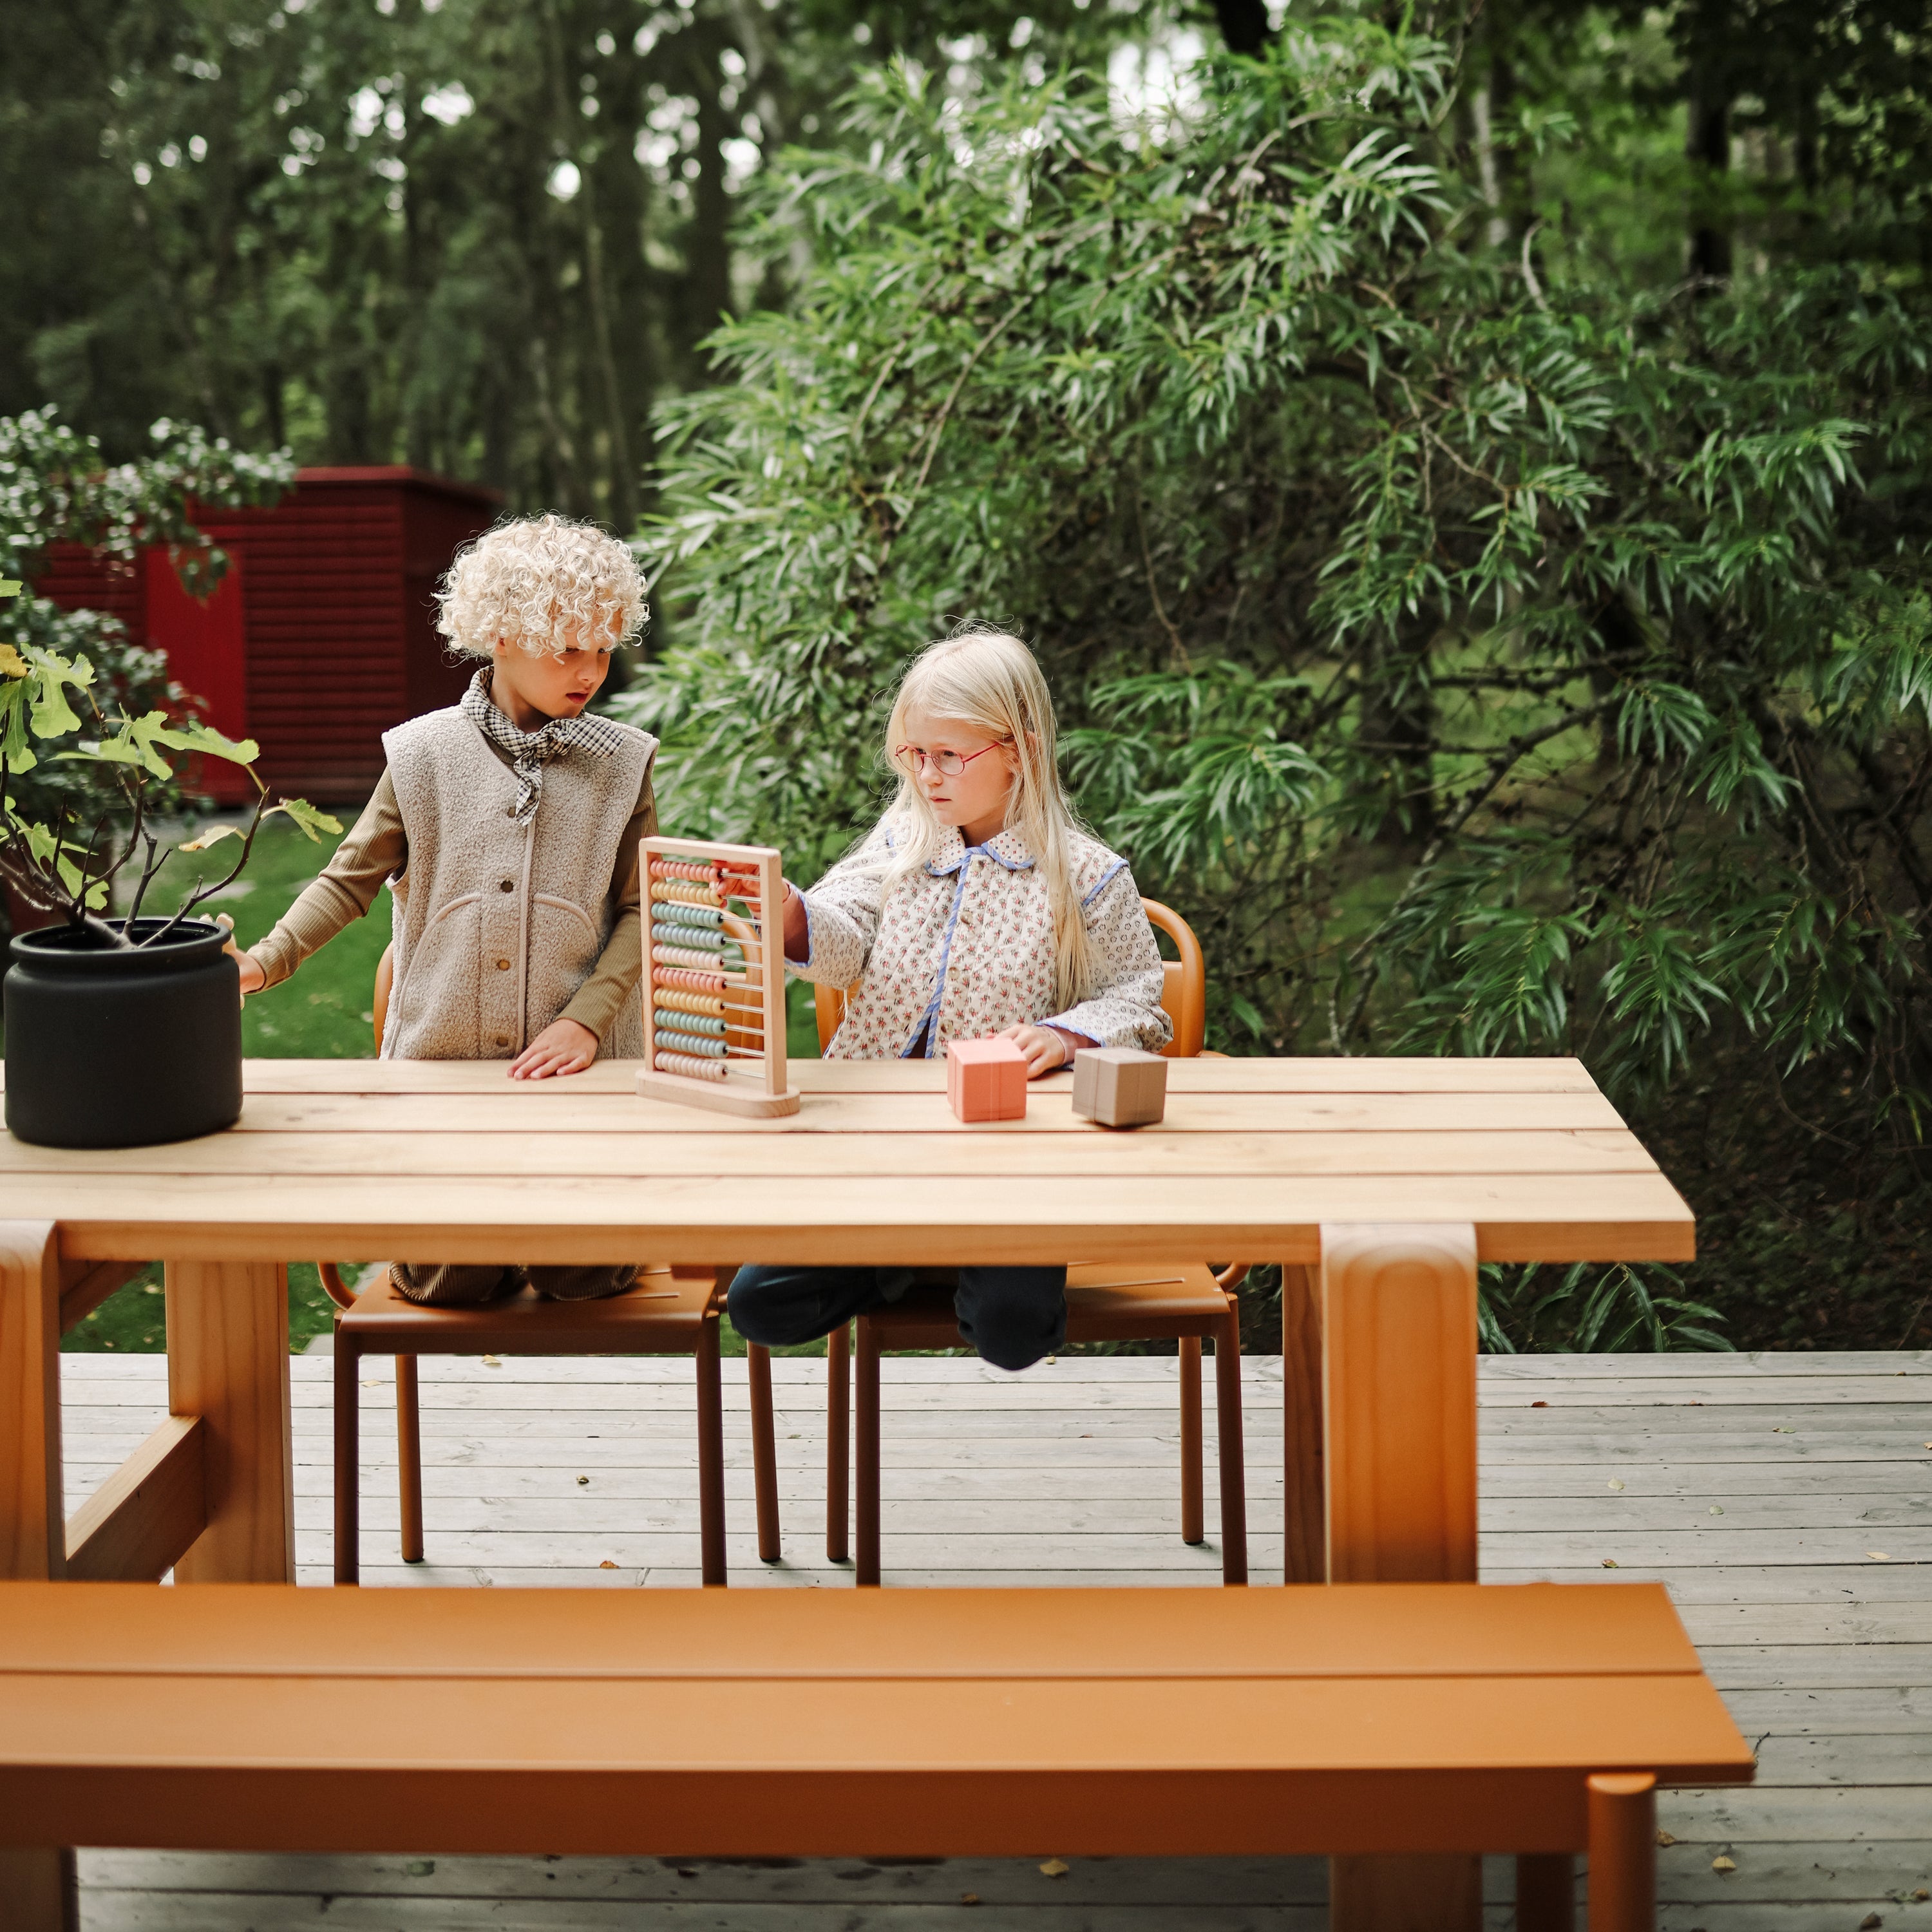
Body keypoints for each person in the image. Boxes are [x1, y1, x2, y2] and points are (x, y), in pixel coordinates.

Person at [228, 513, 657, 1305]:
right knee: (449, 1281)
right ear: (500, 634)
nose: (591, 669)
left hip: (582, 1074)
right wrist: (266, 959)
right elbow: (348, 879)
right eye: (568, 647)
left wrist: (587, 1020)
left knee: (587, 1275)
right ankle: (457, 1231)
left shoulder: (624, 765)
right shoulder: (422, 755)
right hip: (442, 1069)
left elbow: (643, 913)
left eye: (604, 647)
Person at [728, 627, 1171, 1372]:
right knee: (761, 1302)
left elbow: (1140, 998)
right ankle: (902, 1253)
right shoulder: (900, 844)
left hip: (1010, 1160)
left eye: (947, 757)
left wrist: (1067, 1036)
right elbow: (845, 939)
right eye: (913, 755)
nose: (926, 777)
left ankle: (955, 1252)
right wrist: (796, 918)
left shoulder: (1086, 877)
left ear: (1021, 750)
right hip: (880, 1149)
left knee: (1013, 1333)